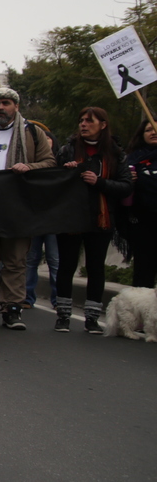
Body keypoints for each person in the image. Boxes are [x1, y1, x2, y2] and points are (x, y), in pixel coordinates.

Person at [0, 87, 55, 330]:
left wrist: (29, 167)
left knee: (15, 261)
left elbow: (49, 163)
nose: (1, 108)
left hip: (17, 208)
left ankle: (12, 309)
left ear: (16, 106)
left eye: (6, 103)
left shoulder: (31, 132)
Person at [54, 107, 132, 334]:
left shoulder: (116, 153)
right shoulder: (68, 150)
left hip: (102, 218)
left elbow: (126, 186)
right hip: (71, 218)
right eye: (81, 121)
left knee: (96, 267)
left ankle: (92, 318)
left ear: (103, 125)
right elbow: (52, 183)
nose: (83, 124)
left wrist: (99, 182)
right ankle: (63, 316)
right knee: (66, 265)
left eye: (89, 121)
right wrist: (65, 172)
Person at [123, 118, 157, 289]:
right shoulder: (132, 159)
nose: (153, 132)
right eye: (148, 130)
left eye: (155, 128)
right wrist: (129, 182)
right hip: (142, 224)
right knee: (144, 274)